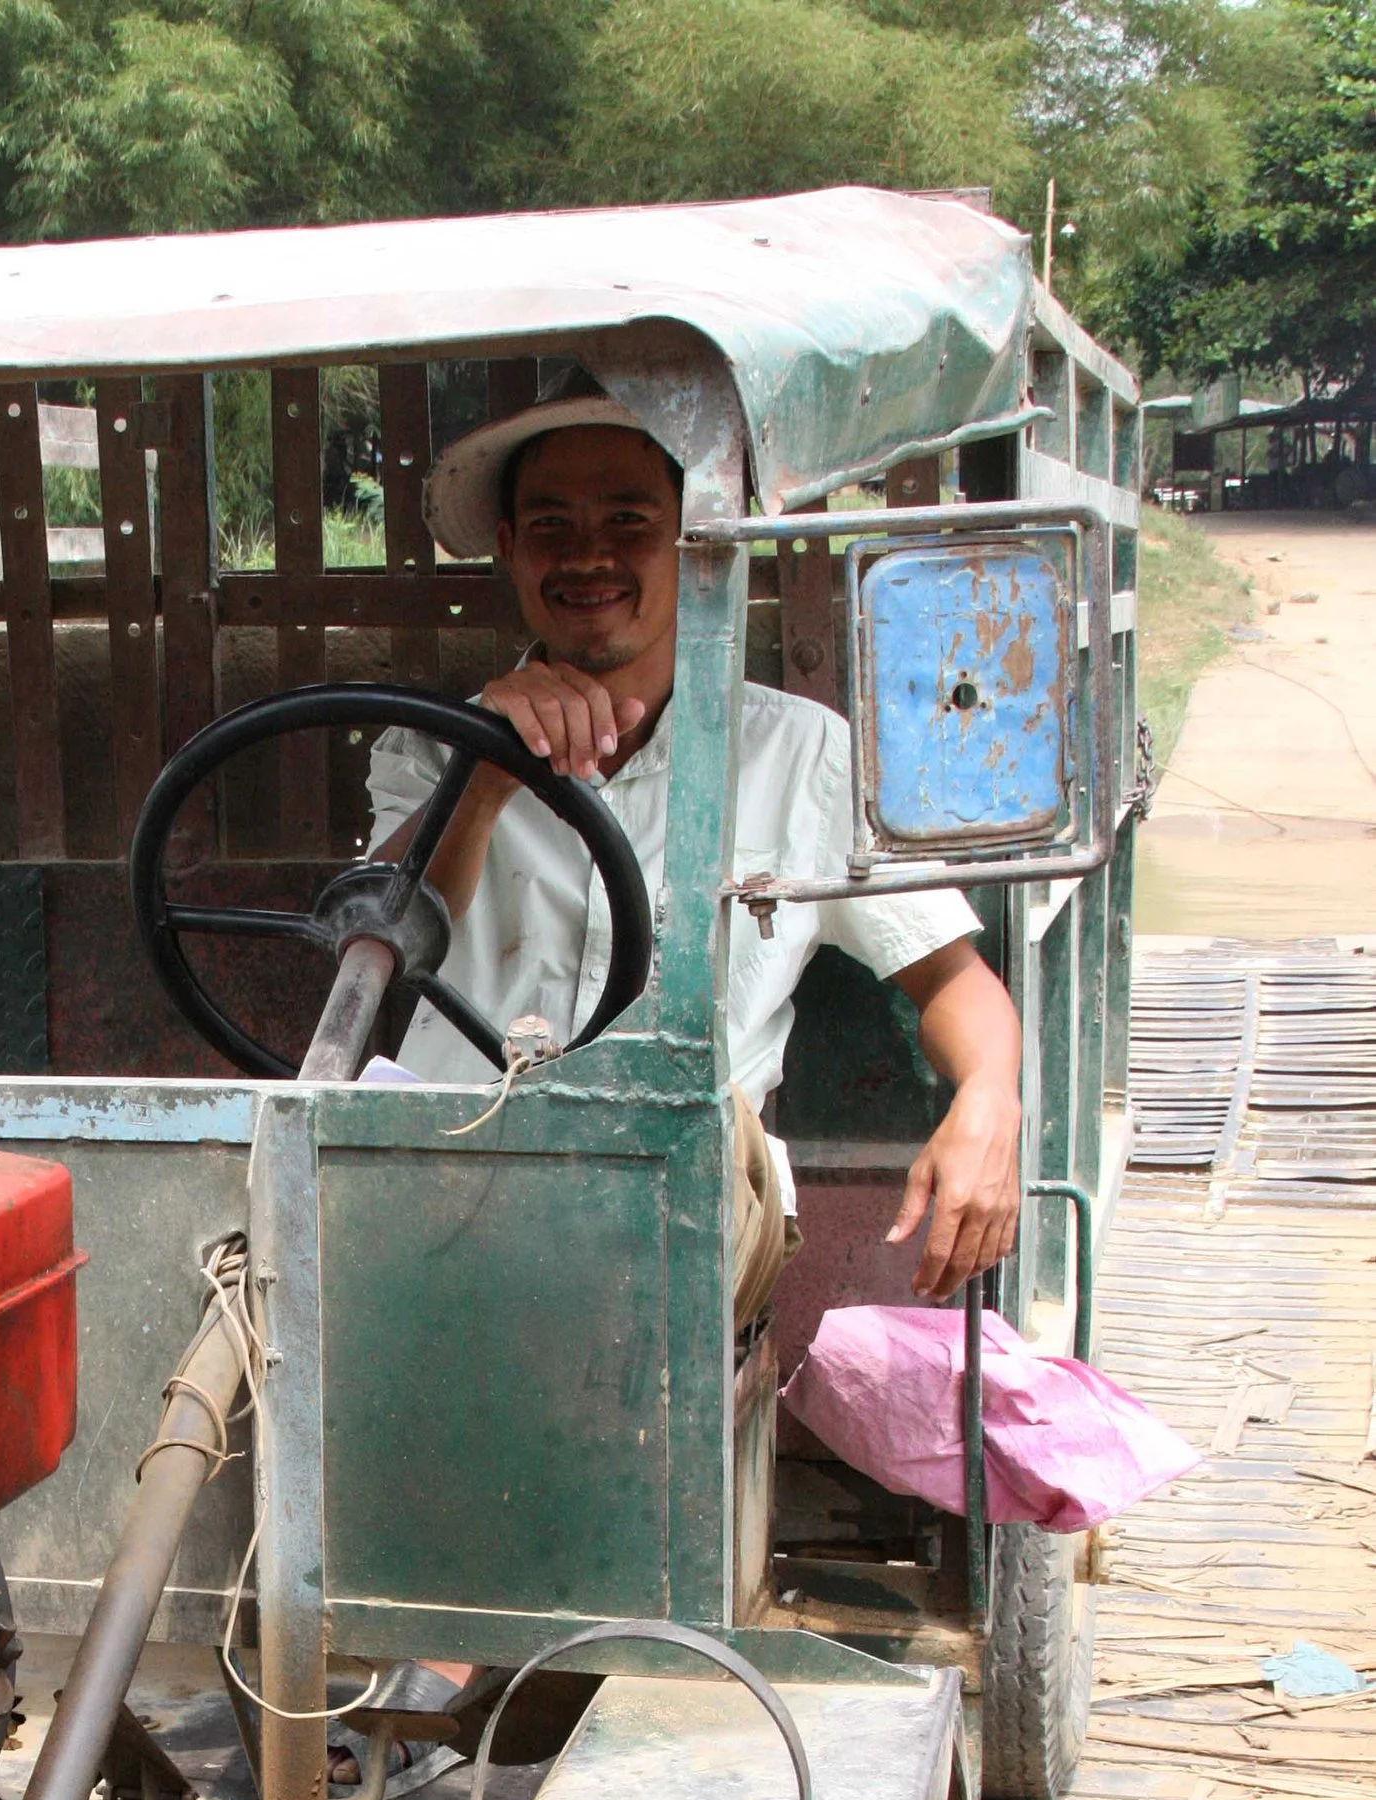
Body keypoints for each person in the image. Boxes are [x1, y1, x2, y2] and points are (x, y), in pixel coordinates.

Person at [368, 388, 1024, 1320]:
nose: (588, 554)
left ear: (694, 538)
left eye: (628, 521)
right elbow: (378, 941)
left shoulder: (803, 757)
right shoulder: (431, 750)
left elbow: (956, 982)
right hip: (434, 1189)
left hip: (690, 1215)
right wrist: (484, 775)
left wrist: (990, 1098)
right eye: (552, 524)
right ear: (510, 546)